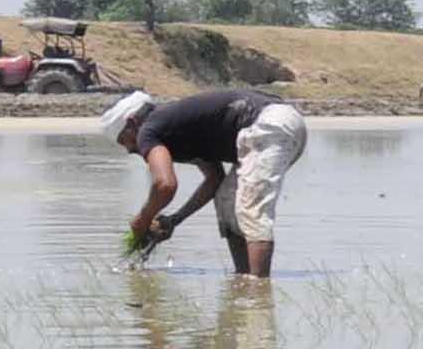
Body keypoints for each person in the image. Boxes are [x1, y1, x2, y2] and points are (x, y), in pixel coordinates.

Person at [106, 86, 309, 278]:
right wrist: (174, 220)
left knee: (250, 208)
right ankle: (243, 277)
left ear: (132, 123)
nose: (130, 149)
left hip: (268, 125)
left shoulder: (148, 129)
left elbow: (165, 184)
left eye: (124, 140)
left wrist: (142, 219)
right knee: (226, 200)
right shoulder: (174, 128)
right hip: (279, 124)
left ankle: (258, 290)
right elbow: (214, 180)